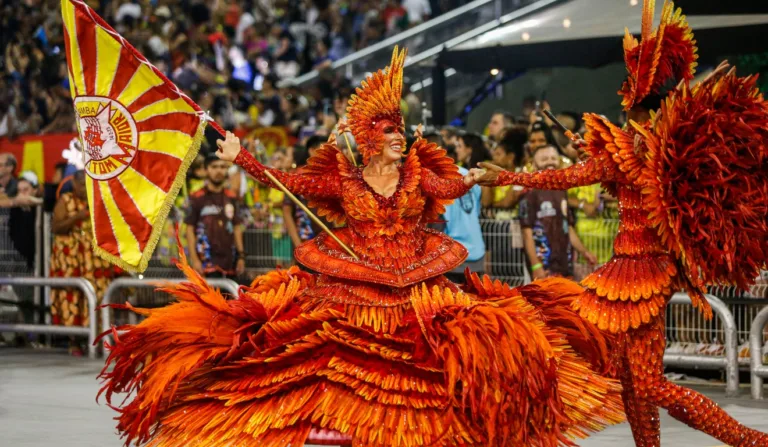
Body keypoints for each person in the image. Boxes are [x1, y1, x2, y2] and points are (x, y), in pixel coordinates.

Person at [100, 47, 623, 447]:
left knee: (448, 358)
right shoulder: (344, 178)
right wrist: (242, 158)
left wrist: (476, 178)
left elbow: (448, 186)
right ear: (370, 138)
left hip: (416, 282)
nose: (400, 137)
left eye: (402, 130)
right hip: (353, 281)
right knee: (326, 362)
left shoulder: (418, 172)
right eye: (391, 130)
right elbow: (289, 182)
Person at [474, 2, 768, 444]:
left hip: (643, 275)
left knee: (648, 384)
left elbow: (568, 177)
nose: (622, 93)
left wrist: (509, 177)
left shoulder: (637, 147)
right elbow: (588, 176)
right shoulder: (660, 142)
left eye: (627, 87)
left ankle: (750, 440)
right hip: (630, 271)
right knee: (632, 380)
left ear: (633, 97)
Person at [50, 171, 114, 355]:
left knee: (99, 295)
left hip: (94, 261)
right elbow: (56, 227)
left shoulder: (97, 200)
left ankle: (100, 339)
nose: (84, 189)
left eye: (87, 185)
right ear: (73, 183)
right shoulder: (65, 200)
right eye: (81, 185)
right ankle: (75, 341)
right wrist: (77, 217)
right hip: (72, 260)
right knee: (72, 298)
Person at [519, 145, 596, 279]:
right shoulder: (529, 193)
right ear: (535, 165)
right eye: (544, 159)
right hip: (543, 267)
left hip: (564, 264)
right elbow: (526, 233)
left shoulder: (562, 190)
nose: (550, 162)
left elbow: (568, 228)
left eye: (553, 158)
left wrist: (584, 252)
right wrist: (536, 265)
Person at [184, 155, 245, 280]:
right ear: (206, 169)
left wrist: (241, 257)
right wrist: (194, 260)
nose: (219, 171)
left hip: (230, 263)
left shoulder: (232, 197)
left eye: (222, 167)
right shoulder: (196, 198)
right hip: (205, 263)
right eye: (214, 167)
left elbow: (237, 227)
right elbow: (189, 230)